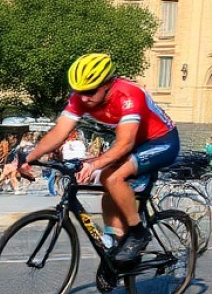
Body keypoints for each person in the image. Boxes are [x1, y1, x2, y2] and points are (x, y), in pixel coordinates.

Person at [22, 54, 180, 264]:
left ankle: (137, 232)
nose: (84, 97)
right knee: (108, 184)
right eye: (79, 91)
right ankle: (118, 246)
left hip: (161, 143)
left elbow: (125, 144)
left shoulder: (129, 95)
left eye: (90, 91)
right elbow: (59, 131)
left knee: (112, 178)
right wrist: (27, 158)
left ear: (107, 83)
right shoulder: (81, 97)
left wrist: (93, 164)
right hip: (133, 142)